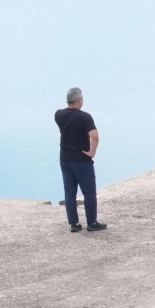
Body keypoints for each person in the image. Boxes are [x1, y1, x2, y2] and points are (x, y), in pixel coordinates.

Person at [55, 87, 106, 232]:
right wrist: (92, 152)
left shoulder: (58, 115)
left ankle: (74, 224)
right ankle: (92, 223)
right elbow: (94, 135)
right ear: (80, 100)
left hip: (65, 159)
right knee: (89, 192)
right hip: (81, 160)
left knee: (70, 192)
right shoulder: (85, 117)